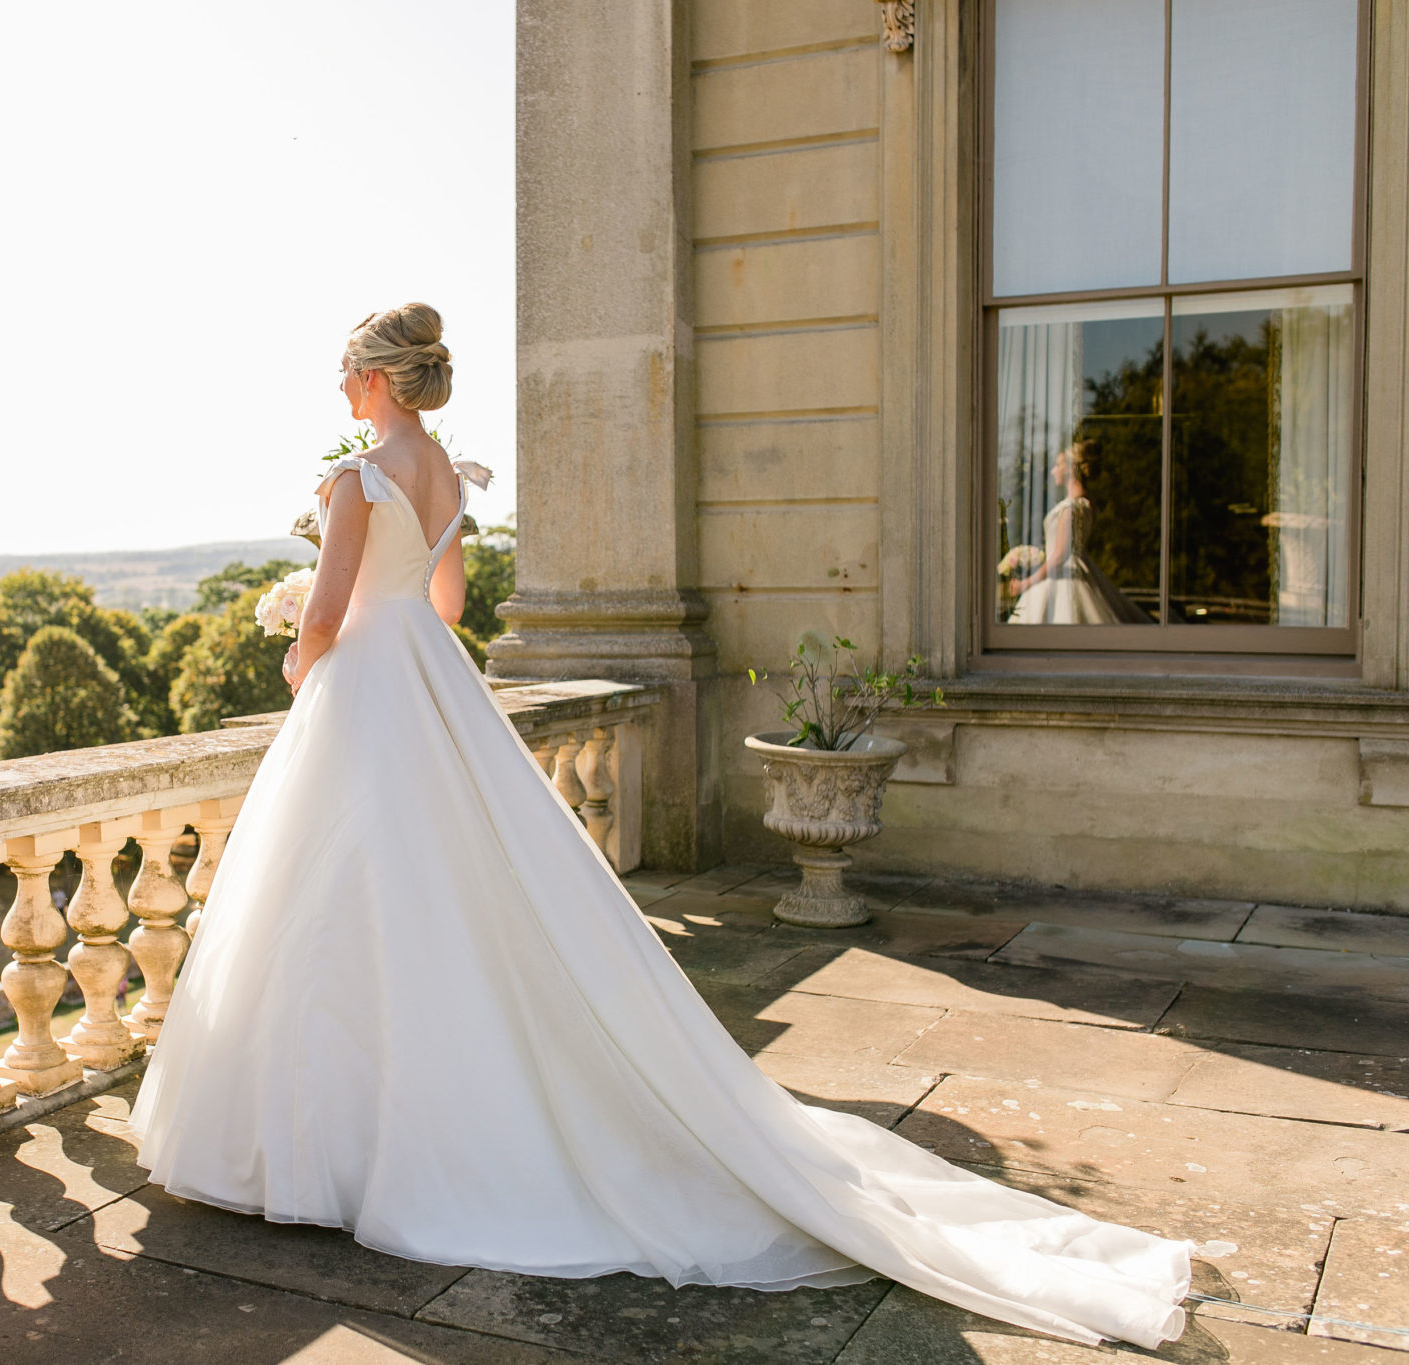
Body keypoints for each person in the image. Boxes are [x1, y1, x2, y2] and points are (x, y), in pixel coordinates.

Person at [128, 303, 1192, 1350]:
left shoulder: (355, 477)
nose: (340, 389)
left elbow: (323, 616)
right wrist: (377, 604)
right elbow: (446, 605)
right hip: (430, 686)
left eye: (343, 373)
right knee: (444, 893)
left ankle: (325, 1146)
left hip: (364, 691)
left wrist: (295, 654)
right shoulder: (448, 472)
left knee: (339, 901)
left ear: (370, 379)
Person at [1005, 443, 1147, 625]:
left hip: (1063, 577)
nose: (1053, 471)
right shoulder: (1087, 503)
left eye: (1058, 465)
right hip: (1078, 571)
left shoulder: (1071, 507)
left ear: (1071, 468)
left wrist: (1026, 583)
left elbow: (1059, 556)